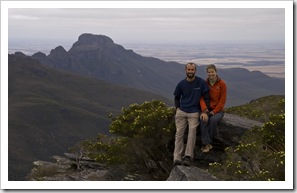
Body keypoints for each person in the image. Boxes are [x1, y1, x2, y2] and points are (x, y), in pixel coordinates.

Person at [173, 62, 210, 166]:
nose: (190, 71)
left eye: (192, 70)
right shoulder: (181, 84)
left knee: (192, 132)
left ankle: (188, 156)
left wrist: (204, 111)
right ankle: (177, 158)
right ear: (186, 70)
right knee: (179, 133)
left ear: (195, 71)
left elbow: (206, 97)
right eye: (188, 70)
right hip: (182, 111)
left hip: (194, 112)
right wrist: (177, 109)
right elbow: (176, 97)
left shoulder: (201, 83)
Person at [200, 64, 227, 153]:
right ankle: (207, 144)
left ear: (216, 72)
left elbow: (222, 101)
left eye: (212, 72)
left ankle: (207, 143)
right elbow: (201, 98)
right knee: (203, 119)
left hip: (218, 110)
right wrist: (204, 109)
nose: (211, 74)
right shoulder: (205, 83)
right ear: (207, 73)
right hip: (207, 109)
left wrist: (214, 111)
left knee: (213, 120)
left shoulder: (222, 84)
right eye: (209, 72)